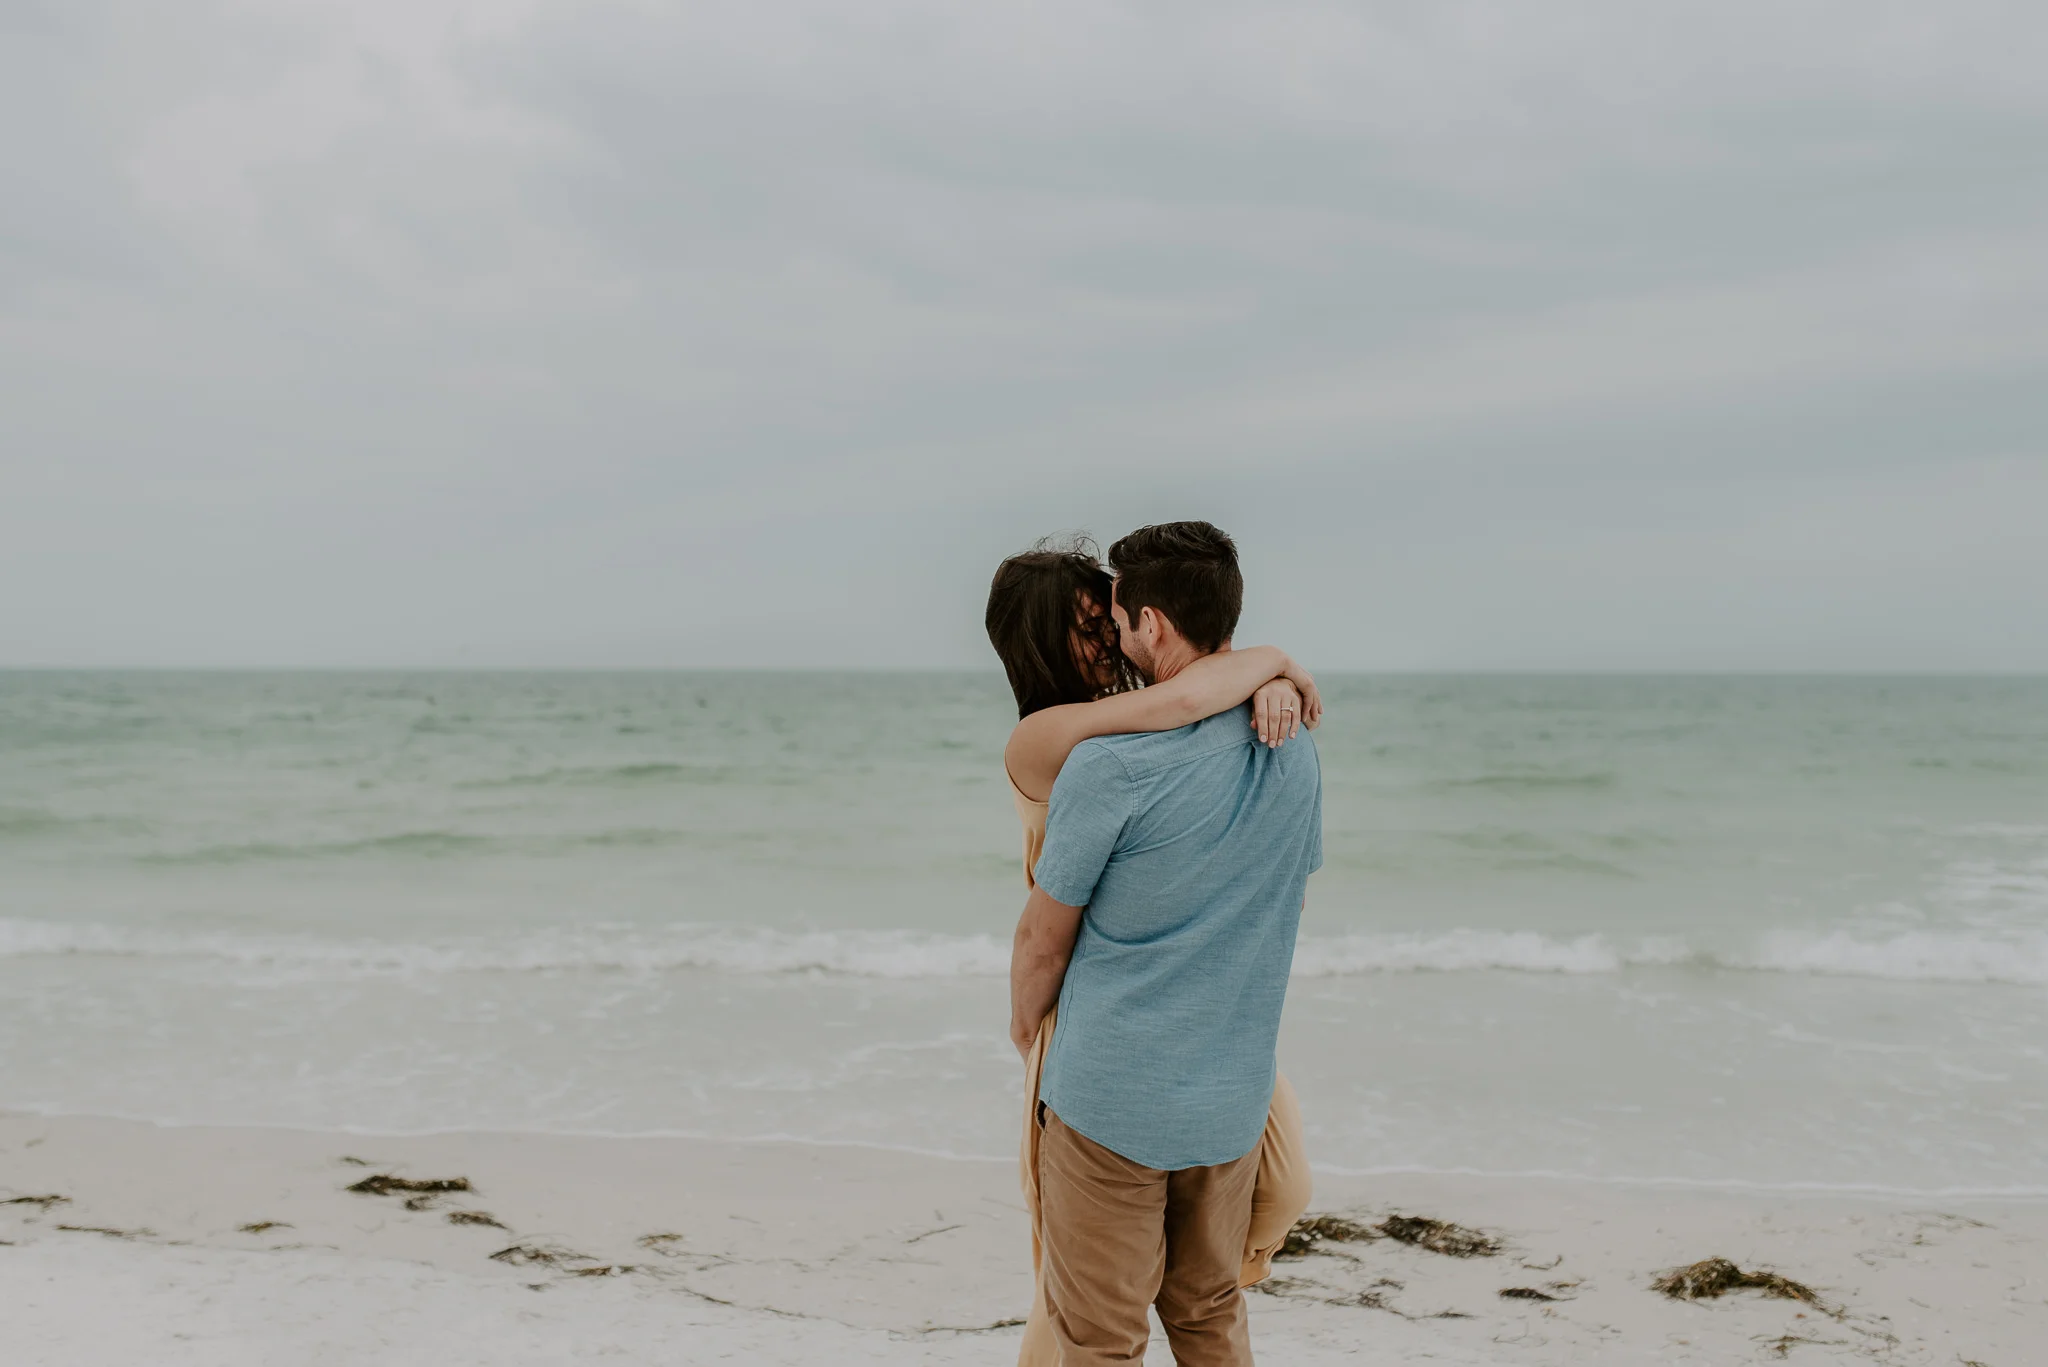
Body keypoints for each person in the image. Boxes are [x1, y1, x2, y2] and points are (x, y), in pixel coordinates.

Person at [984, 529, 1321, 1366]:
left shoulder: (1130, 745)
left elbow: (1176, 707)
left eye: (1113, 620)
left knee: (1103, 1315)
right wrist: (1270, 664)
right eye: (1088, 628)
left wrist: (1266, 675)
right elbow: (1171, 705)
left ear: (1150, 622)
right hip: (1112, 1017)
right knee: (1106, 1306)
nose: (1110, 642)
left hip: (1163, 1035)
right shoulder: (1054, 739)